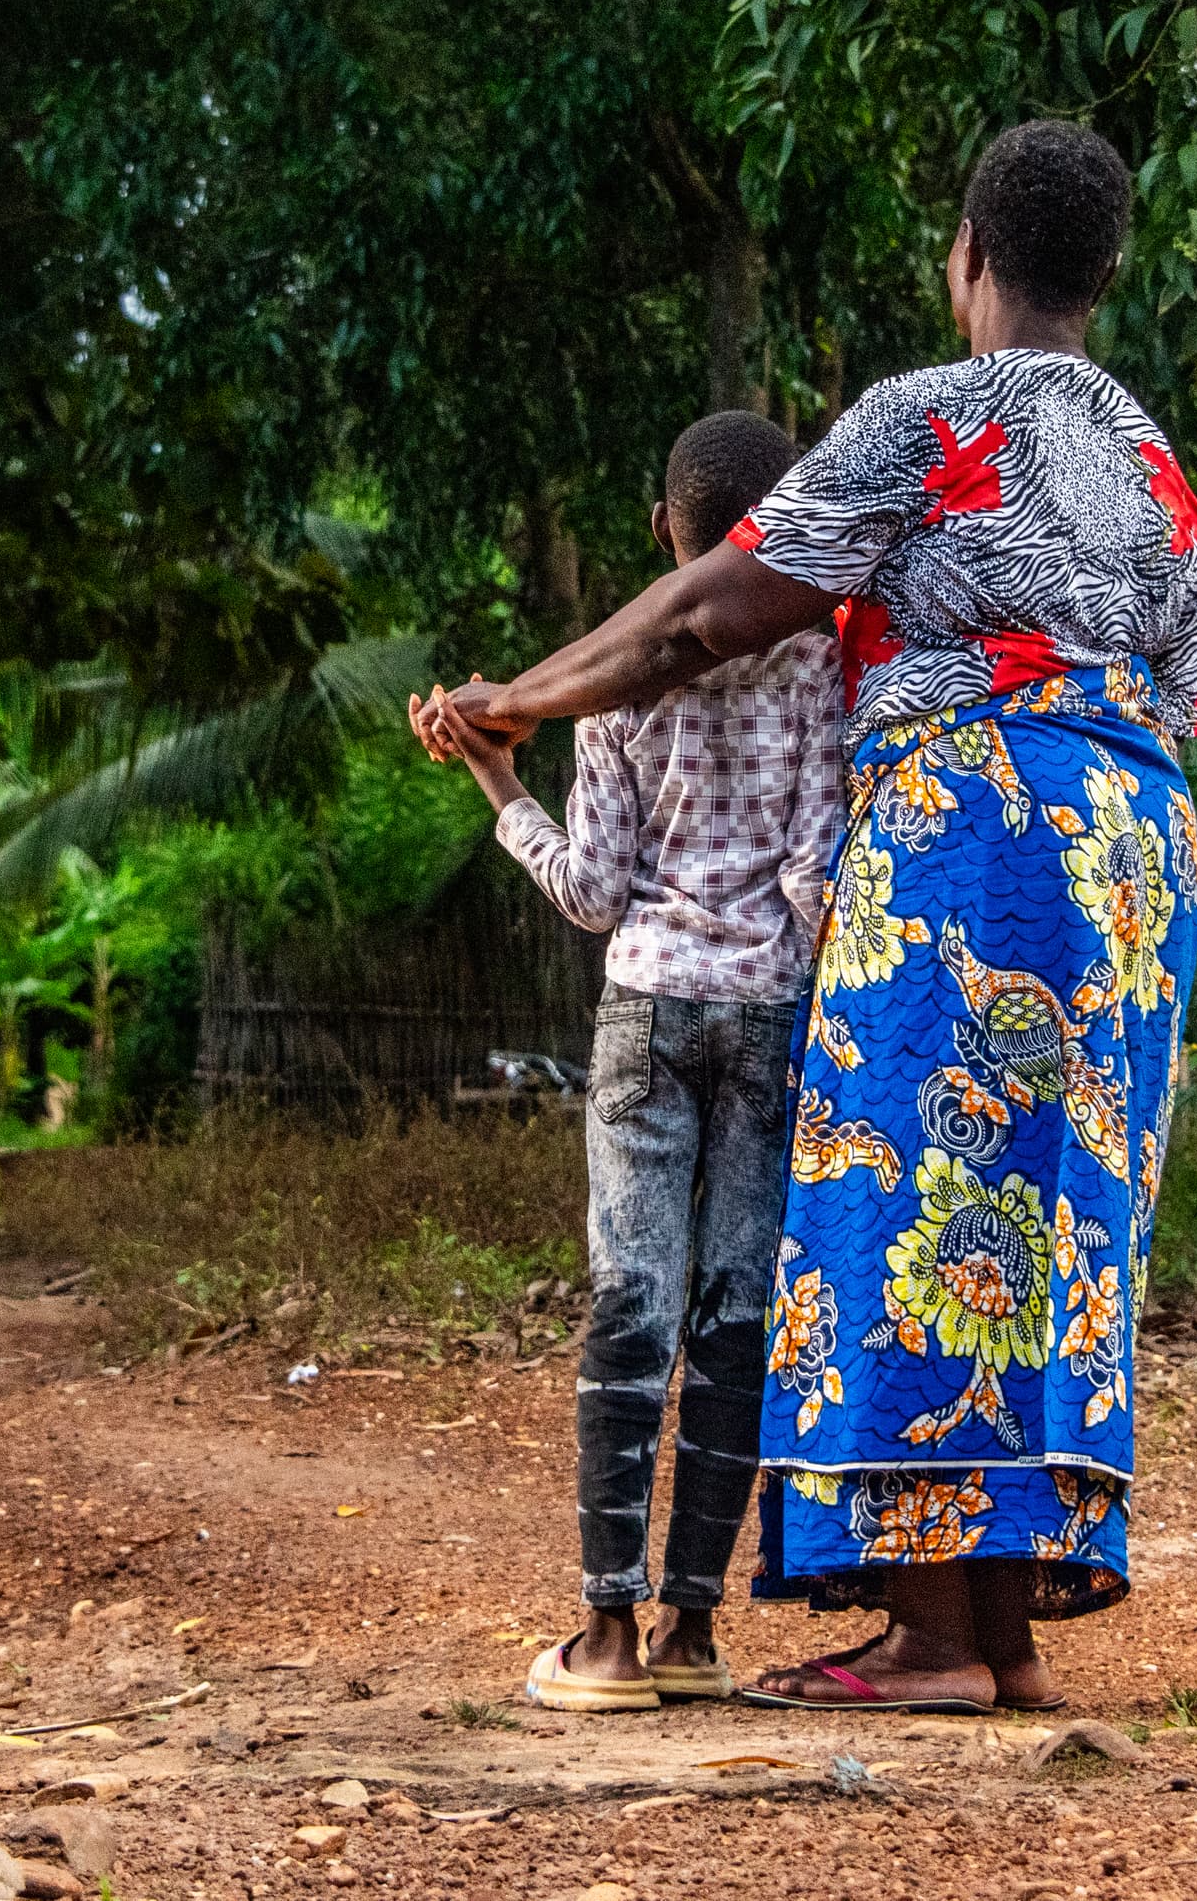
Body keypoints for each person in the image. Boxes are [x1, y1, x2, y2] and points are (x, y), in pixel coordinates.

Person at [423, 118, 1197, 1715]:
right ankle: (997, 1635)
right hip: (1133, 854)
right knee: (1051, 1217)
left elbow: (709, 608)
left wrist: (522, 698)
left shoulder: (930, 417)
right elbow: (1186, 691)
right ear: (1107, 274)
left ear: (971, 260)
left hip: (972, 828)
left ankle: (931, 1640)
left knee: (919, 1198)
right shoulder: (1155, 467)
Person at [412, 410, 847, 1713]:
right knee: (734, 1318)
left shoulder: (615, 688)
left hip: (648, 1015)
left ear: (666, 533)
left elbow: (595, 896)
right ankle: (695, 1638)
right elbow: (820, 886)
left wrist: (501, 787)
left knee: (633, 1307)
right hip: (772, 1019)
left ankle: (603, 1640)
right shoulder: (823, 669)